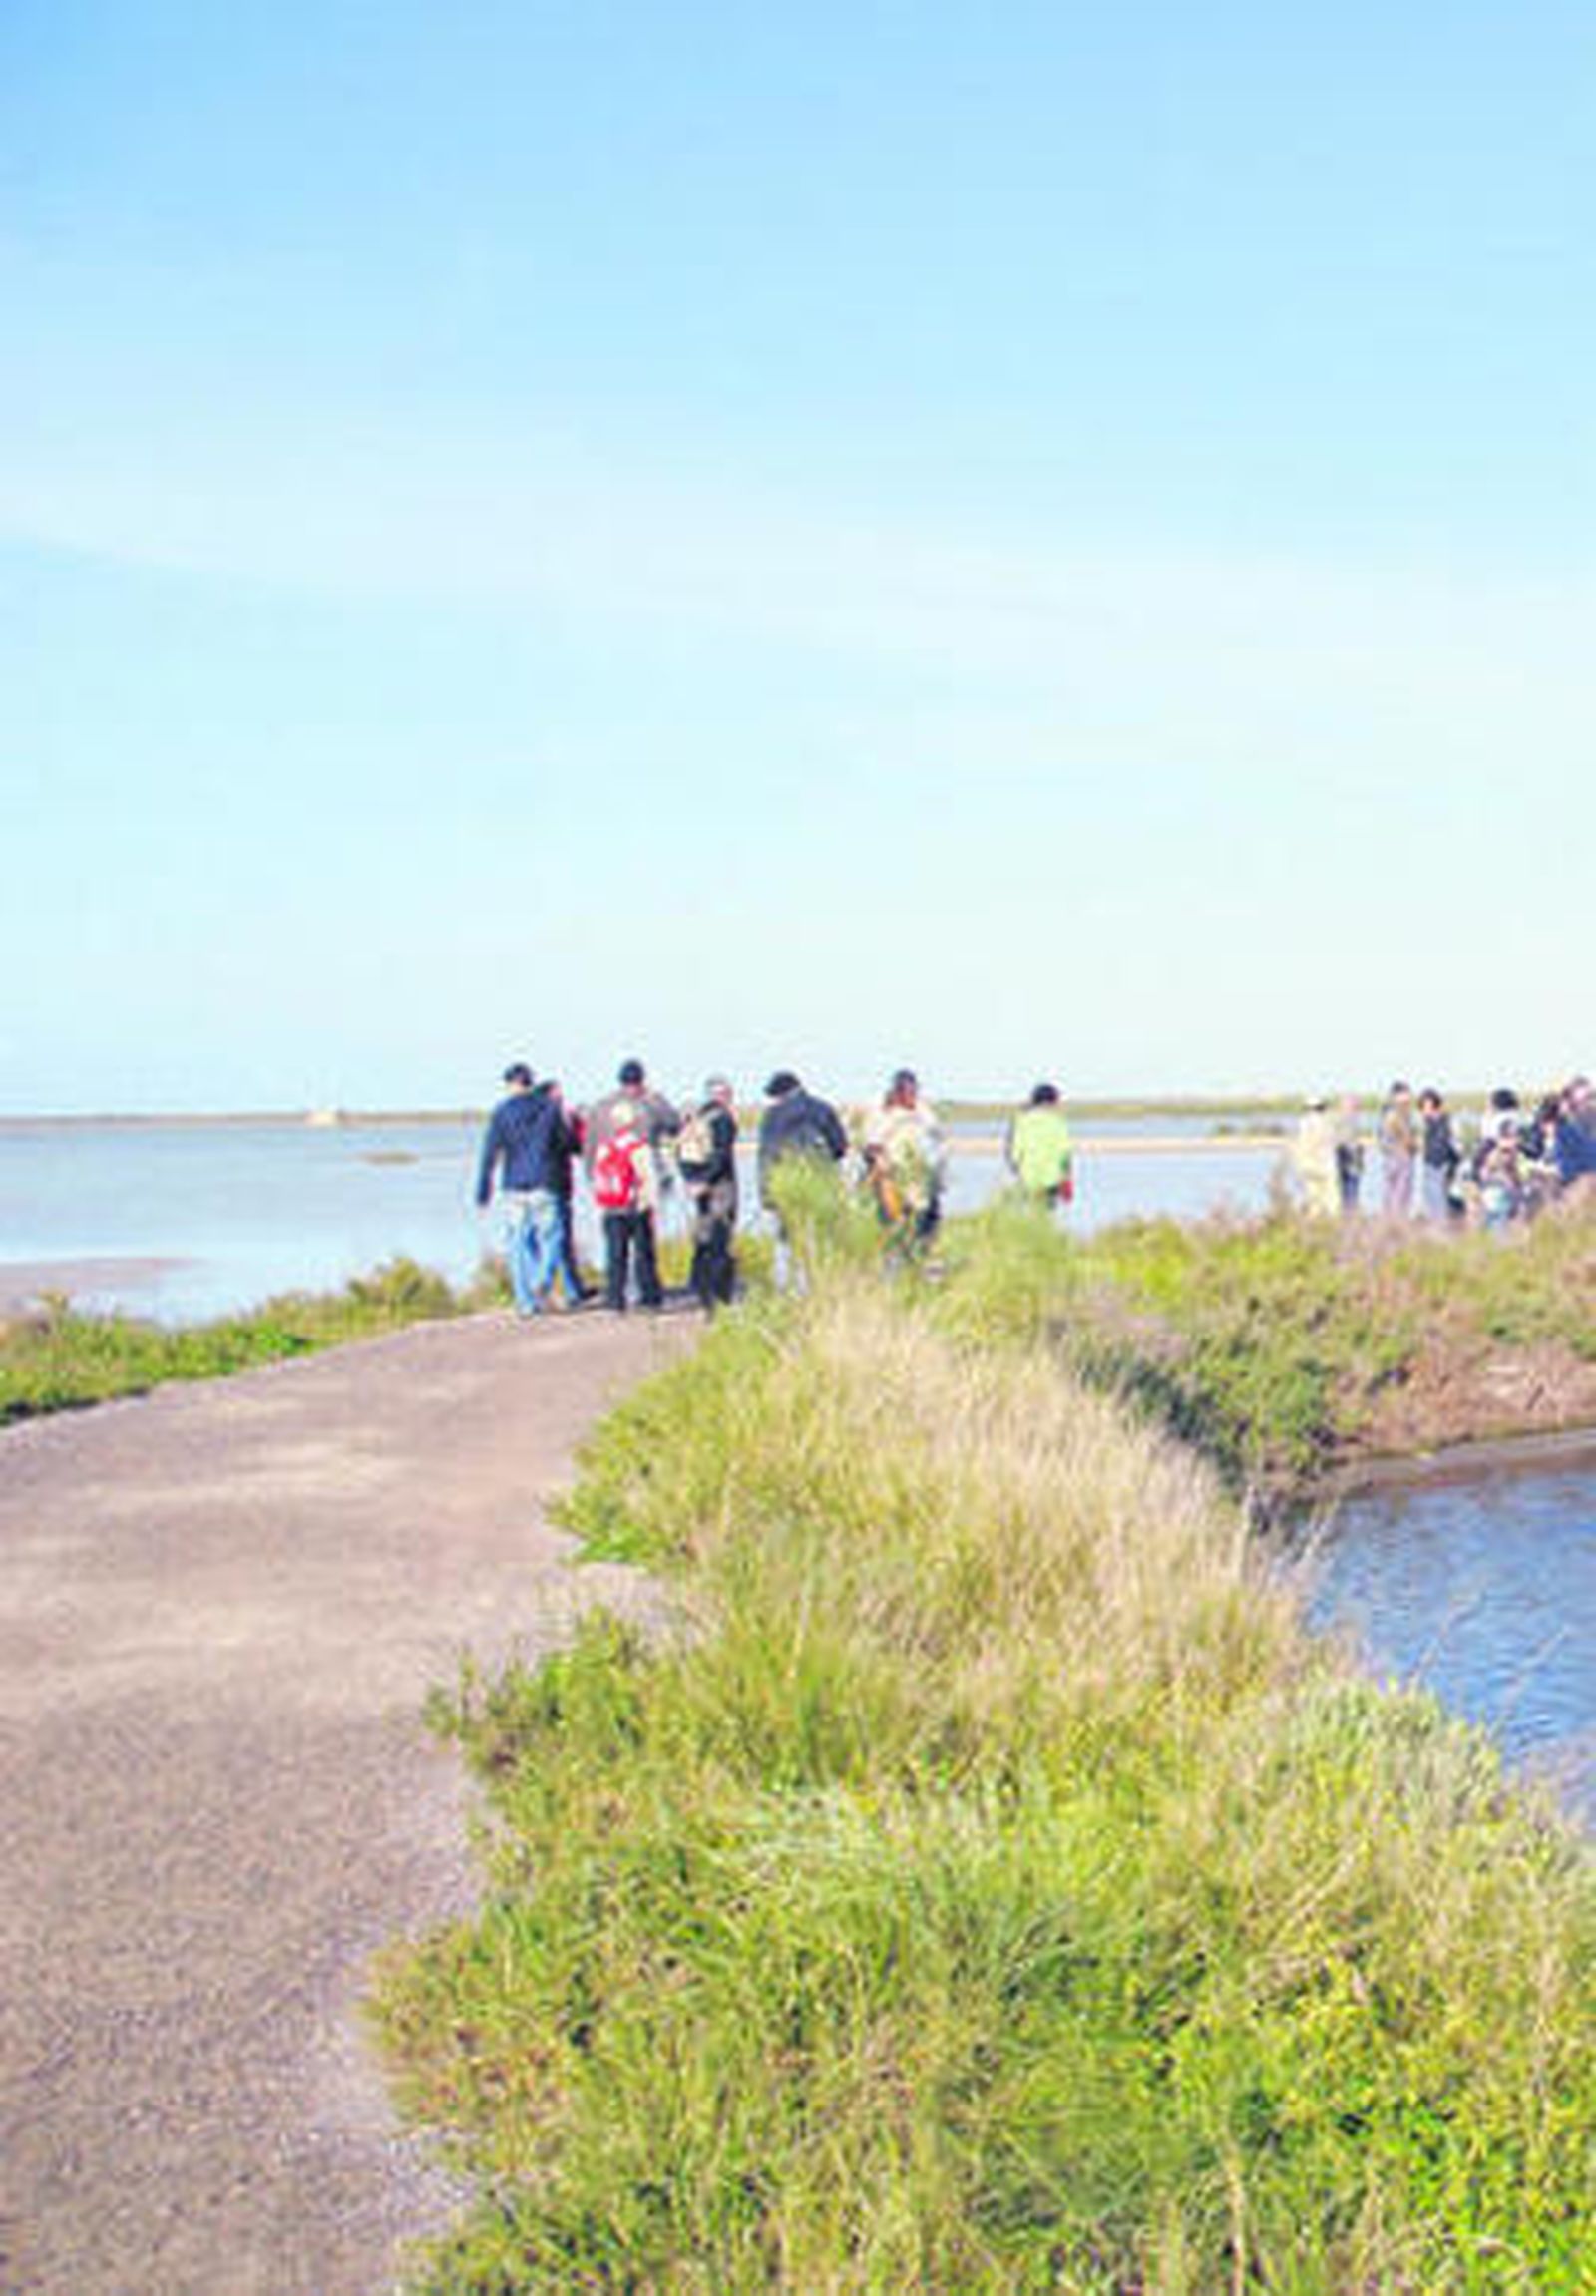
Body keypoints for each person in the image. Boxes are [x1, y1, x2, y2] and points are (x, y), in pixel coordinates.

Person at [474, 1062, 573, 1318]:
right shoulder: (550, 1108)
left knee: (516, 1242)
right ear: (530, 1082)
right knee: (552, 1236)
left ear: (510, 1085)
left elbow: (490, 1153)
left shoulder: (501, 1112)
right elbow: (564, 1142)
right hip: (544, 1180)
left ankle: (525, 1301)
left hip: (514, 1184)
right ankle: (542, 1278)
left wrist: (483, 1188)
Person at [584, 1058, 679, 1305]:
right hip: (638, 1193)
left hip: (610, 1192)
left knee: (615, 1247)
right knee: (643, 1246)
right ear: (641, 1081)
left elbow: (588, 1151)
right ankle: (648, 1295)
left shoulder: (598, 1109)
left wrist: (594, 1183)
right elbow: (674, 1126)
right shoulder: (648, 1106)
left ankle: (615, 1296)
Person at [757, 1070, 848, 1289]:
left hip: (786, 1186)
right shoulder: (824, 1109)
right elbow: (840, 1147)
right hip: (822, 1185)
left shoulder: (772, 1116)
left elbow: (767, 1155)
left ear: (782, 1093)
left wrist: (766, 1193)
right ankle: (820, 1286)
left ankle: (787, 1290)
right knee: (821, 1238)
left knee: (784, 1240)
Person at [861, 1068, 947, 1262]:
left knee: (924, 1228)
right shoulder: (881, 1113)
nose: (912, 1096)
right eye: (908, 1091)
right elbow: (871, 1147)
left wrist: (938, 1179)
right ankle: (897, 1265)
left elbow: (937, 1143)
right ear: (898, 1092)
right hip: (892, 1180)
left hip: (922, 1180)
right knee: (894, 1227)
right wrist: (879, 1166)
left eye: (914, 1091)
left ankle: (918, 1264)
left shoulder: (924, 1113)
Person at [591, 1100, 662, 1311]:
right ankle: (649, 1296)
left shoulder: (604, 1148)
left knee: (615, 1254)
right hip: (635, 1206)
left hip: (611, 1207)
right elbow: (649, 1178)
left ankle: (615, 1297)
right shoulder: (639, 1147)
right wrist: (651, 1204)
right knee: (643, 1253)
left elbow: (597, 1176)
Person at [678, 1075, 739, 1312]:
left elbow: (681, 1152)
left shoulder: (696, 1119)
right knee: (721, 1236)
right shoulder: (723, 1120)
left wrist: (692, 1180)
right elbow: (722, 1156)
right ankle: (719, 1293)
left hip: (697, 1187)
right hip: (720, 1185)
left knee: (703, 1236)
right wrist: (708, 1180)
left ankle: (700, 1286)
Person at [1004, 1083, 1075, 1213]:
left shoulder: (1022, 1121)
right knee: (1048, 1212)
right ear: (1053, 1101)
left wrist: (1016, 1169)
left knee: (1029, 1212)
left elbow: (1015, 1151)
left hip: (1028, 1176)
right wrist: (1067, 1176)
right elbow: (1066, 1154)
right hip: (1052, 1177)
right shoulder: (1059, 1122)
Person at [1292, 1097, 1340, 1219]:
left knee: (1312, 1197)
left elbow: (1300, 1145)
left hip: (1308, 1164)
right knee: (1330, 1197)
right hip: (1325, 1164)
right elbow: (1332, 1142)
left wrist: (1298, 1167)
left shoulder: (1302, 1123)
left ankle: (1314, 1222)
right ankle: (1332, 1221)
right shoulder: (1328, 1122)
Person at [1417, 1088, 1459, 1224]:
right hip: (1432, 1163)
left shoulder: (1444, 1122)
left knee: (1437, 1196)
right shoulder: (1431, 1123)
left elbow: (1449, 1146)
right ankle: (1438, 1225)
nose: (1423, 1112)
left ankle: (1441, 1227)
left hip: (1439, 1164)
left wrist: (1448, 1166)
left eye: (1425, 1108)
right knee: (1431, 1195)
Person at [1378, 1082, 1417, 1219]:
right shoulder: (1396, 1113)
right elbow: (1405, 1136)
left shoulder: (1387, 1111)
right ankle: (1396, 1224)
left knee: (1391, 1192)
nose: (1409, 1097)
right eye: (1406, 1094)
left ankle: (1390, 1222)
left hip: (1390, 1157)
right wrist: (1413, 1146)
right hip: (1400, 1157)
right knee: (1401, 1193)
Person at [1333, 1095, 1365, 1216]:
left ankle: (1348, 1215)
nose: (1357, 1110)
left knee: (1347, 1190)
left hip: (1347, 1162)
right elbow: (1344, 1142)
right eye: (1355, 1106)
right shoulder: (1345, 1121)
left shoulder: (1345, 1120)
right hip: (1348, 1162)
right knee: (1349, 1190)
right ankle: (1349, 1216)